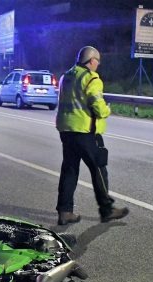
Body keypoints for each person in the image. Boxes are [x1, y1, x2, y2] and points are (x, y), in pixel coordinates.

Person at [55, 46, 129, 225]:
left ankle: (65, 212)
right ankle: (107, 209)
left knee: (70, 170)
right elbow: (97, 104)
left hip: (66, 130)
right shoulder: (91, 78)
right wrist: (106, 111)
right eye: (98, 61)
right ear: (92, 60)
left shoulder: (67, 76)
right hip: (86, 131)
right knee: (99, 168)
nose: (98, 64)